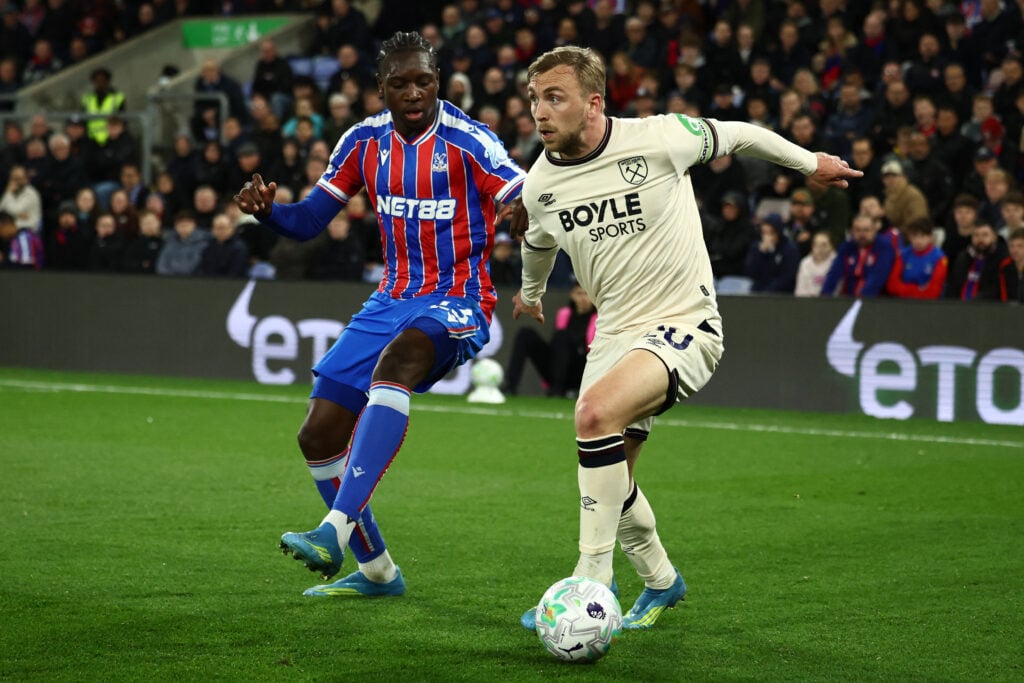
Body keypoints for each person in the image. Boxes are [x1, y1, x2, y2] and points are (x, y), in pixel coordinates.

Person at [510, 45, 860, 631]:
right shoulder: (541, 184)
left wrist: (808, 162)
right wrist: (532, 292)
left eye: (554, 97)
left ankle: (589, 582)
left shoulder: (660, 137)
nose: (539, 112)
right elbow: (538, 242)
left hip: (684, 322)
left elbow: (741, 134)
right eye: (534, 100)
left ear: (594, 103)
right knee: (614, 480)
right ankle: (663, 582)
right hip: (615, 335)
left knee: (593, 414)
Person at [233, 31, 526, 598]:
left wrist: (519, 205)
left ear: (439, 82)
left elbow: (516, 185)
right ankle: (378, 574)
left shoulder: (470, 141)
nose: (414, 92)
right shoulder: (361, 143)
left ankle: (332, 531)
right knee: (317, 435)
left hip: (458, 298)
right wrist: (271, 213)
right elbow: (311, 219)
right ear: (381, 88)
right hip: (389, 299)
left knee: (397, 364)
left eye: (424, 80)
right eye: (400, 83)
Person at [503, 282, 596, 397]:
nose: (583, 298)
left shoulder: (598, 318)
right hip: (558, 367)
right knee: (525, 334)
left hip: (583, 369)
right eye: (579, 293)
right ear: (572, 295)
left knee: (563, 336)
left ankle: (557, 390)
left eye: (586, 294)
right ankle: (510, 387)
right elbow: (557, 347)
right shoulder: (564, 314)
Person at [820, 213, 896, 297]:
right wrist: (824, 295)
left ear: (874, 230)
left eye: (866, 230)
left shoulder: (884, 247)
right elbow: (834, 273)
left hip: (876, 300)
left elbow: (878, 276)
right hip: (849, 297)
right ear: (852, 231)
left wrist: (862, 298)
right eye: (857, 230)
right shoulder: (846, 247)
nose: (862, 234)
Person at [886, 216, 948, 299]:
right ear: (909, 237)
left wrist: (904, 288)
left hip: (929, 305)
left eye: (923, 236)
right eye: (915, 236)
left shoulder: (939, 258)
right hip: (903, 302)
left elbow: (934, 292)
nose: (918, 241)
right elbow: (892, 285)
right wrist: (917, 290)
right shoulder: (903, 255)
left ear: (930, 237)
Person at [946, 222, 1009, 301]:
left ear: (994, 237)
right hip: (958, 307)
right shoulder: (963, 258)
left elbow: (995, 290)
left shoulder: (1002, 259)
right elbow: (953, 285)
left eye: (985, 235)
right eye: (976, 235)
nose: (980, 239)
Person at [743, 213, 800, 293]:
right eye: (764, 233)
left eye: (771, 233)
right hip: (758, 291)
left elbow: (787, 277)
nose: (767, 237)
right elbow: (750, 272)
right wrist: (761, 253)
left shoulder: (789, 249)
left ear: (778, 232)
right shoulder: (756, 246)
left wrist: (768, 292)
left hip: (782, 294)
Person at [794, 231, 837, 296]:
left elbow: (837, 289)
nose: (820, 248)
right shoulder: (805, 263)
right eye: (816, 245)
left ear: (831, 246)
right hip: (807, 303)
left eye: (824, 245)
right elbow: (800, 290)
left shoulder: (836, 262)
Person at [999, 228, 1024, 303]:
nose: (1014, 250)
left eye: (1020, 246)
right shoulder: (1005, 265)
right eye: (1011, 246)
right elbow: (1003, 293)